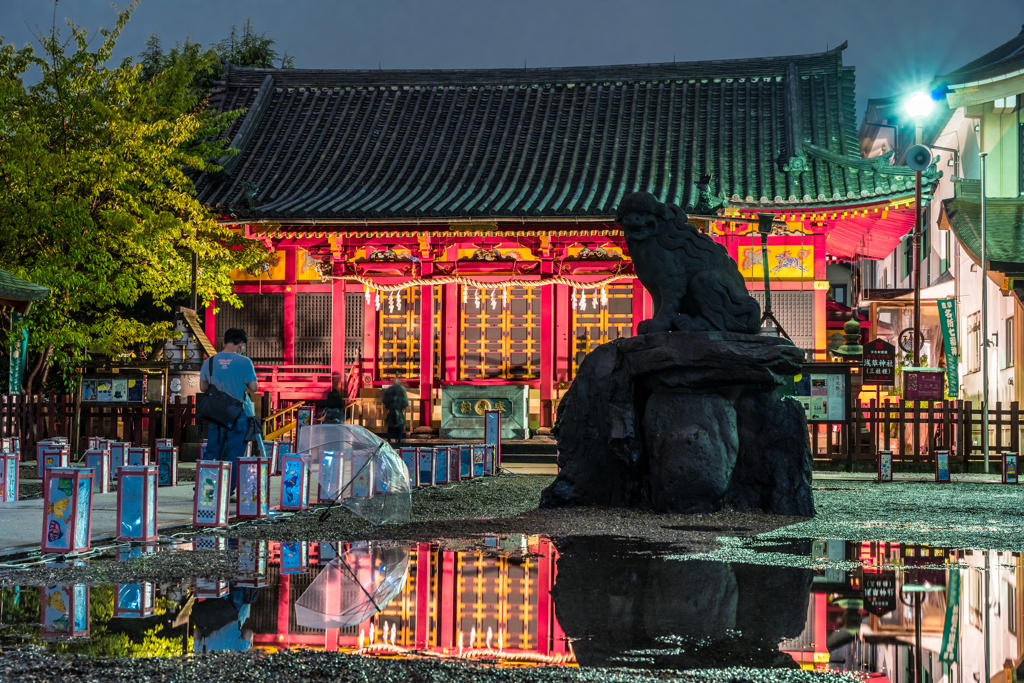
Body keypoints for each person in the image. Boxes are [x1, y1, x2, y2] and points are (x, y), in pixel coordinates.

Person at [200, 328, 258, 496]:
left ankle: (207, 489)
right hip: (237, 415)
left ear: (224, 342)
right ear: (241, 344)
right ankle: (227, 491)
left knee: (212, 452)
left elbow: (203, 387)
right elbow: (253, 388)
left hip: (215, 415)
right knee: (234, 454)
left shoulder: (209, 361)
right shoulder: (245, 362)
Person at [381, 375, 408, 447]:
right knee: (399, 427)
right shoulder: (402, 389)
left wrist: (390, 407)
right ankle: (399, 441)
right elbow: (405, 403)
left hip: (391, 412)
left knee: (391, 427)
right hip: (399, 412)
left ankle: (390, 441)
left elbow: (385, 402)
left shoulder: (389, 389)